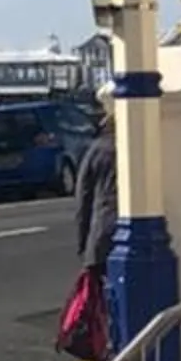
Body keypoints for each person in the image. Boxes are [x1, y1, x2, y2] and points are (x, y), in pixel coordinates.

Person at [71, 94, 118, 276]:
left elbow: (84, 198)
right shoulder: (141, 146)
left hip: (102, 235)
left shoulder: (96, 150)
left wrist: (83, 243)